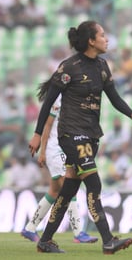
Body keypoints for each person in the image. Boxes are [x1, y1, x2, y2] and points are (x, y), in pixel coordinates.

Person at [28, 20, 132, 254]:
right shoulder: (69, 67)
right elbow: (48, 102)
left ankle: (45, 241)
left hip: (91, 135)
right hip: (71, 134)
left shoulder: (102, 66)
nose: (106, 38)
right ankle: (108, 241)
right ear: (91, 41)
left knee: (70, 188)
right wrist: (38, 134)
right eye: (102, 35)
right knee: (94, 182)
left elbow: (114, 97)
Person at [21, 91, 98, 244]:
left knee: (55, 191)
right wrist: (42, 152)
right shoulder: (59, 100)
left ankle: (30, 228)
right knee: (69, 187)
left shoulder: (75, 100)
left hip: (65, 148)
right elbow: (47, 126)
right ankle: (78, 232)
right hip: (54, 150)